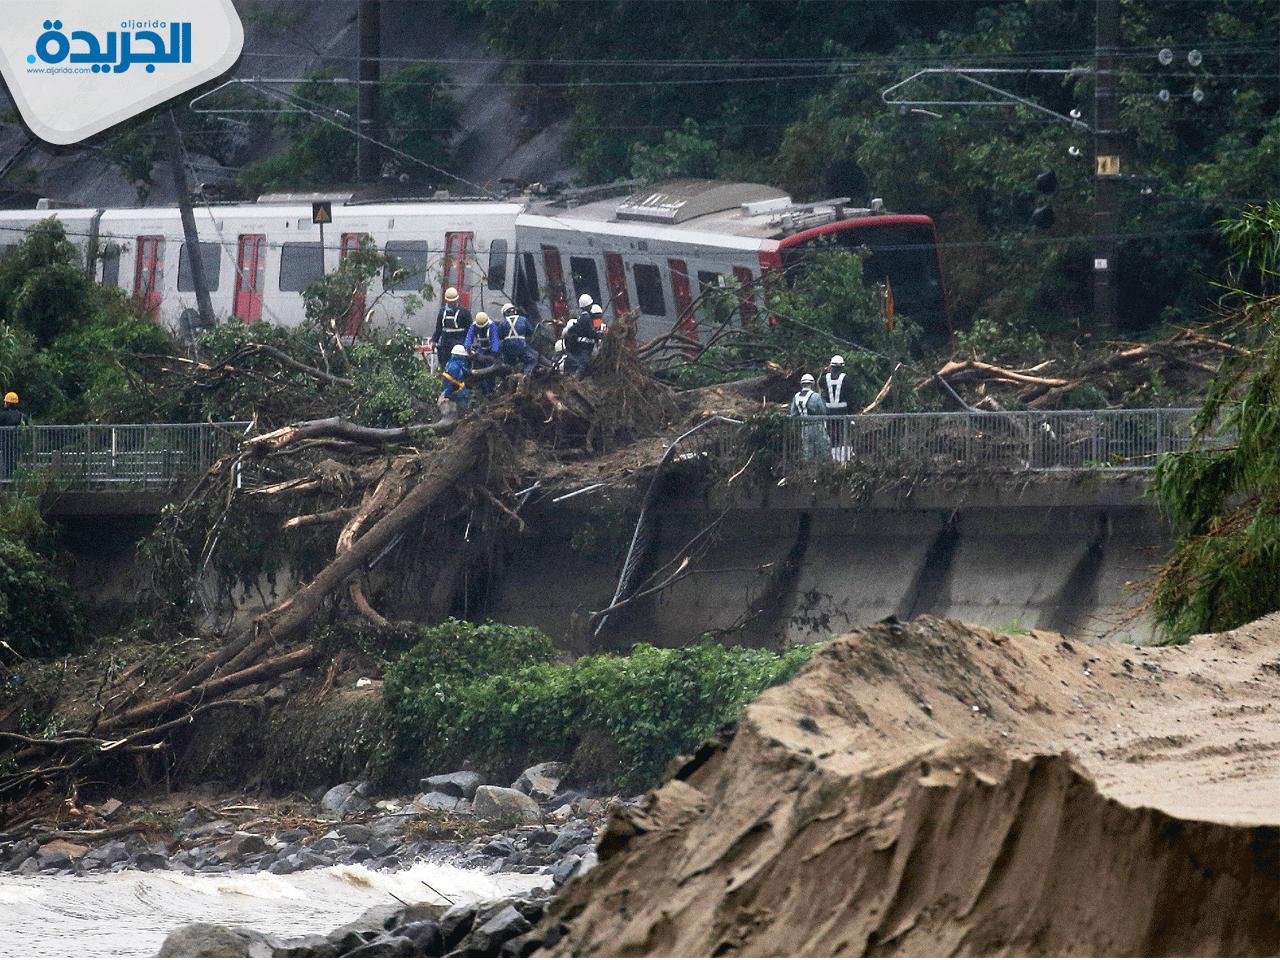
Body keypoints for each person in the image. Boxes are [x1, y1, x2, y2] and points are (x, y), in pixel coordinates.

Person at [790, 374, 831, 462]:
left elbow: (793, 413)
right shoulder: (815, 396)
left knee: (807, 451)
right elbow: (823, 411)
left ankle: (808, 471)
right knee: (823, 448)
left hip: (804, 428)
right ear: (812, 384)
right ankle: (822, 469)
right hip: (817, 426)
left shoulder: (796, 397)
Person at [431, 287, 473, 364]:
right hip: (445, 342)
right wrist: (434, 340)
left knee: (458, 362)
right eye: (450, 302)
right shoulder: (442, 311)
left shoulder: (465, 312)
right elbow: (438, 328)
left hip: (459, 342)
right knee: (445, 363)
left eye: (453, 301)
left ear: (457, 299)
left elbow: (470, 330)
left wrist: (468, 343)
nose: (452, 303)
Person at [820, 355, 850, 448]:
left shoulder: (824, 379)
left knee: (832, 437)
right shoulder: (846, 379)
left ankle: (834, 456)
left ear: (831, 366)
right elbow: (851, 396)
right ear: (842, 366)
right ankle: (843, 459)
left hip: (829, 413)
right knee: (843, 437)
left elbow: (819, 385)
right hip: (843, 413)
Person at [499, 303, 537, 374]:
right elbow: (530, 331)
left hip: (508, 347)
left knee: (509, 364)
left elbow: (500, 336)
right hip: (521, 345)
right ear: (514, 311)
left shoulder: (502, 323)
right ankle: (526, 376)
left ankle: (509, 378)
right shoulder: (523, 319)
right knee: (532, 360)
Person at [561, 308, 600, 376]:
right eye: (596, 316)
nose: (598, 319)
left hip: (588, 350)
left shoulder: (596, 325)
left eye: (599, 316)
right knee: (582, 364)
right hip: (580, 349)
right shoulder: (578, 324)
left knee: (584, 364)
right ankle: (575, 379)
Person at [438, 344, 471, 419]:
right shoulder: (455, 366)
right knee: (461, 410)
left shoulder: (450, 364)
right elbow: (455, 380)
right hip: (458, 393)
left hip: (453, 391)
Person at [0, 391, 27, 481]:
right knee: (15, 461)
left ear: (8, 403)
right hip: (17, 442)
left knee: (7, 461)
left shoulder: (3, 416)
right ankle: (15, 479)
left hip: (5, 442)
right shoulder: (21, 416)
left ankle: (8, 479)